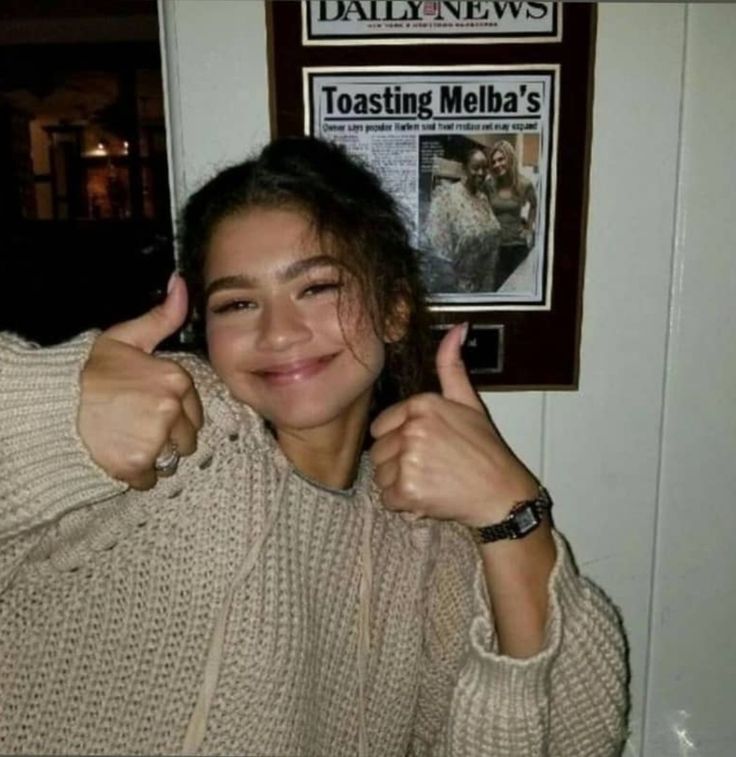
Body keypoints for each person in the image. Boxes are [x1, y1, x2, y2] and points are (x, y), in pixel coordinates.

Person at [0, 137, 628, 756]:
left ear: (396, 309)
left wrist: (510, 513)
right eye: (239, 302)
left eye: (318, 288)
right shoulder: (181, 438)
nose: (278, 333)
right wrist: (58, 405)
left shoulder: (427, 545)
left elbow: (575, 739)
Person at [424, 146, 502, 293]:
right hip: (459, 288)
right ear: (464, 168)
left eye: (485, 168)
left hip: (485, 285)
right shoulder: (445, 197)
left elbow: (492, 233)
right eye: (476, 168)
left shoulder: (483, 198)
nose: (481, 173)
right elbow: (438, 252)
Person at [485, 140, 539, 289]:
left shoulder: (524, 184)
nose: (497, 165)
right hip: (496, 247)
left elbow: (534, 205)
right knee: (498, 288)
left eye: (501, 159)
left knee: (517, 288)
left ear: (510, 158)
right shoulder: (489, 184)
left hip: (517, 246)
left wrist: (528, 228)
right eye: (493, 161)